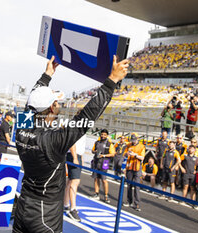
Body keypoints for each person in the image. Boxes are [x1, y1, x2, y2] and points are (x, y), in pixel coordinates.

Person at [13, 55, 129, 233]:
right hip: (46, 215)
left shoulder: (22, 128)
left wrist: (47, 74)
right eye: (56, 101)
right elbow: (87, 116)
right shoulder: (53, 140)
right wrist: (112, 80)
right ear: (52, 108)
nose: (59, 104)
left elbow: (32, 102)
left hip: (23, 206)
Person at [64, 133, 86, 222]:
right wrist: (75, 157)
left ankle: (66, 204)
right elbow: (72, 142)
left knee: (70, 181)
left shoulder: (82, 127)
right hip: (74, 155)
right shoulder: (79, 126)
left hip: (76, 155)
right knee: (75, 182)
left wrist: (81, 158)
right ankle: (73, 209)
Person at [91, 129, 115, 203]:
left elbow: (113, 154)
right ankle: (96, 194)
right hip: (96, 161)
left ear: (107, 136)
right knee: (96, 178)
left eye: (104, 135)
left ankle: (106, 196)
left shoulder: (109, 144)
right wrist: (94, 151)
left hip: (105, 162)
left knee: (104, 180)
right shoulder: (97, 142)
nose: (103, 136)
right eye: (102, 134)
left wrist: (103, 155)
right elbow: (92, 150)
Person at [123, 133, 145, 211]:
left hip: (137, 167)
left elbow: (142, 158)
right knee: (129, 185)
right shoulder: (129, 145)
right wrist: (127, 153)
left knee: (136, 186)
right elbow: (124, 154)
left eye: (134, 139)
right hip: (129, 166)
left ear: (137, 138)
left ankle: (137, 204)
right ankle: (129, 201)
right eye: (132, 139)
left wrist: (135, 155)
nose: (133, 141)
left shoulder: (142, 146)